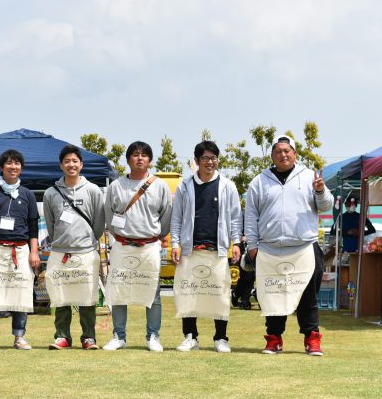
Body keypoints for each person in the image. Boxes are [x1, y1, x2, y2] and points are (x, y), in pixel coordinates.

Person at [245, 135, 333, 356]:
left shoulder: (310, 177)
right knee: (272, 295)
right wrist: (252, 246)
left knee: (308, 296)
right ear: (272, 155)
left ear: (295, 154)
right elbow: (250, 214)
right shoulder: (259, 181)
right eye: (278, 151)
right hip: (269, 249)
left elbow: (326, 206)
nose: (282, 155)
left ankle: (312, 339)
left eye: (287, 151)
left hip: (304, 247)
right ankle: (274, 339)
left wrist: (321, 191)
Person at [170, 141, 242, 353]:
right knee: (187, 293)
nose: (210, 162)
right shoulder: (185, 185)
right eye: (205, 158)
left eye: (213, 158)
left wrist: (236, 242)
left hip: (217, 250)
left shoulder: (228, 186)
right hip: (190, 250)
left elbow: (236, 218)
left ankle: (221, 338)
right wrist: (175, 243)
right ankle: (190, 336)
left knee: (219, 293)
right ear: (196, 161)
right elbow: (177, 218)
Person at [103, 141, 173, 352]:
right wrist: (122, 237)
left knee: (153, 292)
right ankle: (119, 336)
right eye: (135, 155)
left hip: (150, 246)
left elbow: (166, 217)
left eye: (144, 155)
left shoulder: (159, 185)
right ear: (128, 160)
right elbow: (109, 216)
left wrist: (154, 237)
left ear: (150, 160)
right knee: (118, 291)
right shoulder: (116, 185)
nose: (139, 158)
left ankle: (153, 336)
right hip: (123, 245)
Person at [0, 149, 41, 351]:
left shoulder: (28, 194)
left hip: (20, 249)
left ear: (21, 167)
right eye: (9, 163)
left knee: (21, 292)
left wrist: (34, 251)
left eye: (17, 163)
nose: (13, 167)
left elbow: (33, 226)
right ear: (1, 167)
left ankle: (19, 336)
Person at [43, 144, 105, 350]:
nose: (71, 165)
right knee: (61, 296)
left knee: (87, 296)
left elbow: (98, 223)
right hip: (60, 252)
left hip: (86, 252)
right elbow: (51, 226)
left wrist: (87, 241)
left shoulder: (93, 190)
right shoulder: (51, 193)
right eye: (67, 161)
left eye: (75, 161)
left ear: (81, 164)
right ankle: (62, 336)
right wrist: (61, 241)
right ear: (61, 165)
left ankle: (89, 337)